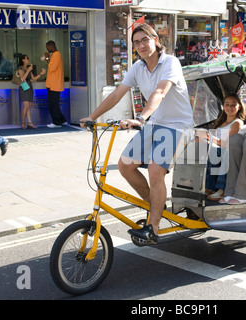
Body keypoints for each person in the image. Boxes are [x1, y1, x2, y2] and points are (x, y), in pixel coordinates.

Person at [80, 24, 193, 244]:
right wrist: (92, 116)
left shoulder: (170, 63)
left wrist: (140, 118)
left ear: (155, 40)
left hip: (178, 126)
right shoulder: (137, 68)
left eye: (145, 40)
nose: (141, 45)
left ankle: (153, 226)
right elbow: (116, 95)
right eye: (136, 42)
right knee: (125, 165)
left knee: (154, 170)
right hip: (155, 124)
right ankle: (156, 207)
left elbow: (160, 93)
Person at [204, 93, 245, 201]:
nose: (230, 108)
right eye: (227, 104)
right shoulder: (219, 122)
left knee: (214, 151)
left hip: (229, 151)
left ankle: (221, 189)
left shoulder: (237, 123)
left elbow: (229, 143)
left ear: (239, 107)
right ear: (223, 106)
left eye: (233, 105)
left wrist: (210, 138)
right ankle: (208, 186)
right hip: (216, 148)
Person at [18, 54, 46, 129]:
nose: (28, 60)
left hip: (29, 86)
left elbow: (33, 79)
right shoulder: (20, 68)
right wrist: (28, 70)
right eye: (27, 59)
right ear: (23, 60)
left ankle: (29, 122)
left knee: (29, 105)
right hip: (24, 87)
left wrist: (41, 74)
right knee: (26, 105)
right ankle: (23, 122)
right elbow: (22, 79)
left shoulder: (28, 68)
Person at [44, 40, 67, 128]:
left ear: (51, 46)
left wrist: (46, 58)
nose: (47, 49)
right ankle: (62, 120)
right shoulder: (55, 55)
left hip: (54, 84)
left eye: (47, 47)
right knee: (54, 104)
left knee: (53, 104)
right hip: (52, 84)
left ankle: (56, 122)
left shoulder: (57, 55)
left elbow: (52, 68)